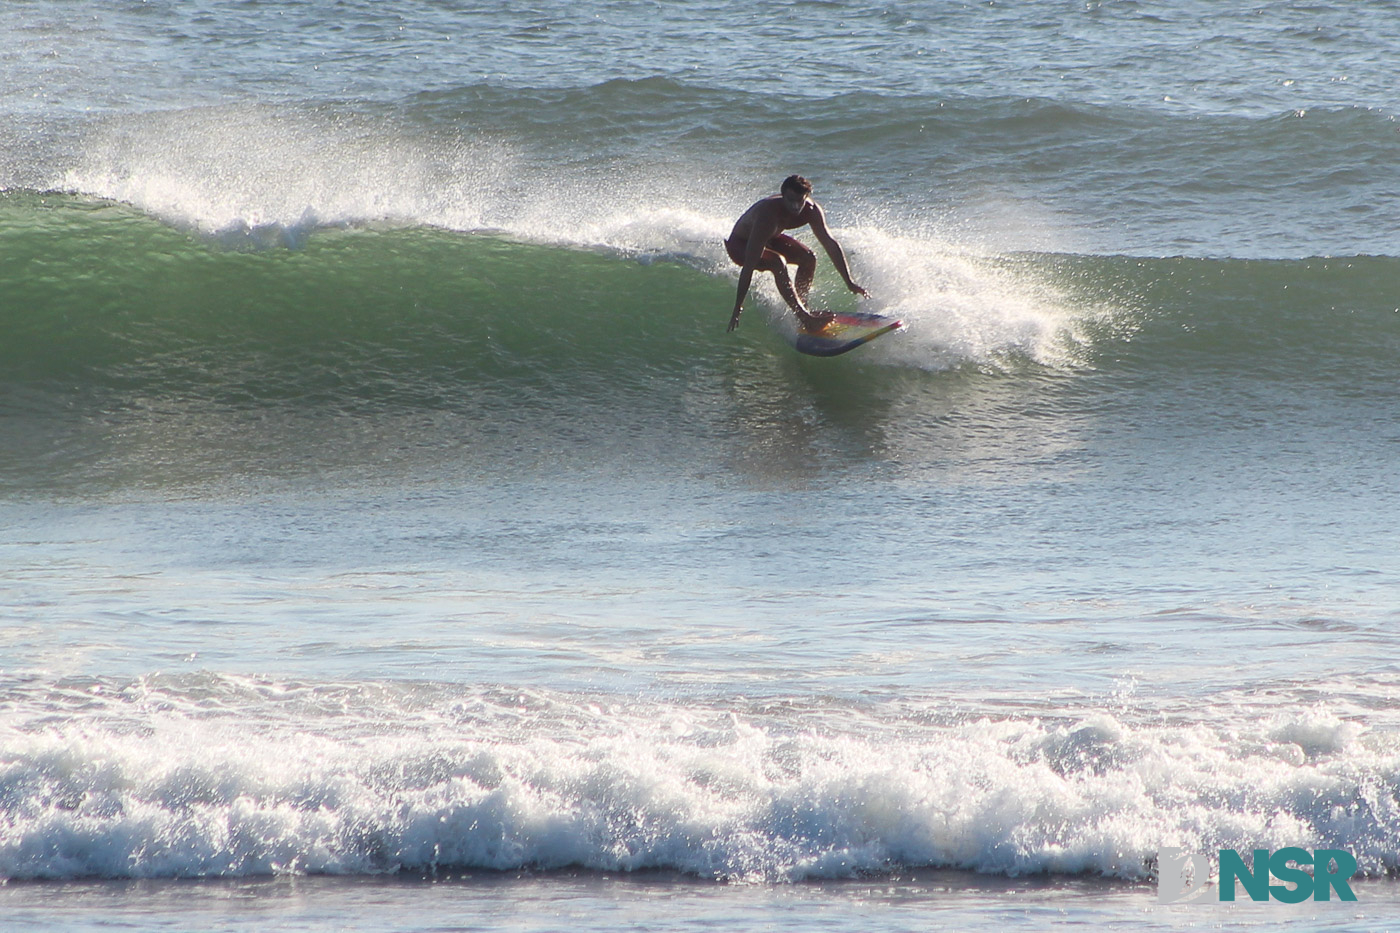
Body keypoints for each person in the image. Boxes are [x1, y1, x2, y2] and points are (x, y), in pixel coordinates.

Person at [724, 174, 869, 332]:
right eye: (790, 200)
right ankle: (805, 318)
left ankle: (803, 310)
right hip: (740, 246)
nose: (795, 206)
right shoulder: (767, 215)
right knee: (777, 262)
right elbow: (749, 265)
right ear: (782, 195)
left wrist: (849, 282)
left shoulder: (811, 210)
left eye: (799, 200)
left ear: (806, 197)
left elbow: (830, 243)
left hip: (770, 239)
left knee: (808, 258)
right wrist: (738, 306)